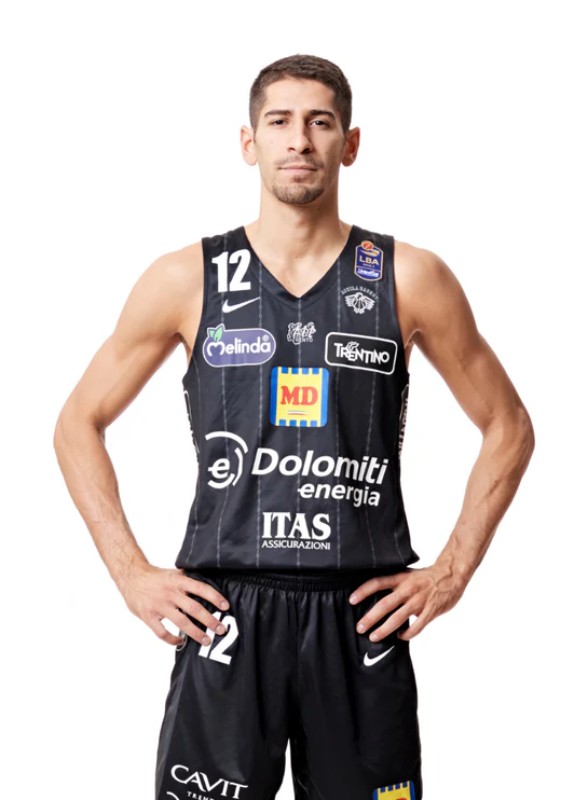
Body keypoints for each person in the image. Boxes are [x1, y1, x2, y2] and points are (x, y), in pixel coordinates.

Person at [53, 54, 535, 800]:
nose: (299, 140)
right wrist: (130, 572)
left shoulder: (408, 276)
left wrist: (451, 572)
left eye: (320, 122)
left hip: (360, 616)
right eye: (279, 122)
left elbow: (508, 424)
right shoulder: (188, 278)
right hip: (226, 612)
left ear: (351, 143)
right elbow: (77, 422)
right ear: (249, 142)